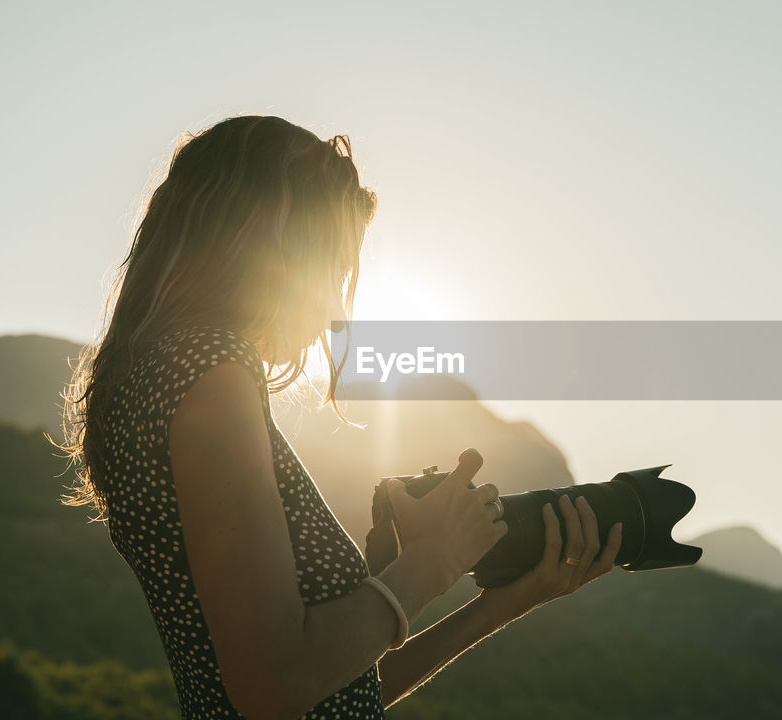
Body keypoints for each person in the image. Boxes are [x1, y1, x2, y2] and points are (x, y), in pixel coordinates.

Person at [55, 114, 624, 720]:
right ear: (265, 240)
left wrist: (501, 604)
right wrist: (432, 562)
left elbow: (337, 693)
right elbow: (274, 686)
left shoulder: (156, 377)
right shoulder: (212, 381)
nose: (333, 305)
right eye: (329, 265)